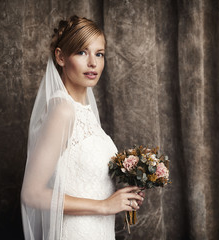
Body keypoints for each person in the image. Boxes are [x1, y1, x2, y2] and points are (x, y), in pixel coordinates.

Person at [21, 15, 144, 240]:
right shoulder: (63, 110)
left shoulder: (84, 111)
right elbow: (32, 194)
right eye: (81, 52)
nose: (93, 63)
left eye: (99, 54)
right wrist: (105, 206)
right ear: (60, 57)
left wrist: (123, 197)